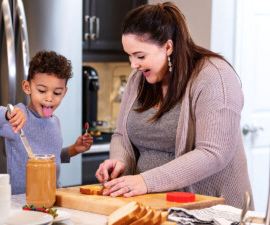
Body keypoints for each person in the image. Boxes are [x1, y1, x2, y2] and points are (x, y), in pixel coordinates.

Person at [95, 2, 254, 210]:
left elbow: (214, 153)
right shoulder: (139, 80)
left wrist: (146, 181)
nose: (133, 65)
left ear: (168, 47)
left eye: (140, 56)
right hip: (152, 207)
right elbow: (121, 136)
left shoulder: (215, 77)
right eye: (130, 55)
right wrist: (119, 160)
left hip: (211, 211)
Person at [0, 51, 93, 194]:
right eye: (42, 91)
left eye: (57, 93)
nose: (49, 98)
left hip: (52, 196)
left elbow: (49, 156)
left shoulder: (55, 122)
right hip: (22, 201)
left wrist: (73, 149)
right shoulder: (19, 117)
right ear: (27, 87)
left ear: (64, 92)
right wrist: (8, 113)